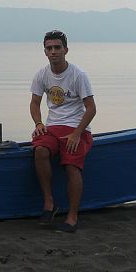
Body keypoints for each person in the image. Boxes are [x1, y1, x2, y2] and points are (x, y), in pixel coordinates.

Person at [29, 30, 96, 233]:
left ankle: (72, 217)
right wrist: (39, 123)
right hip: (53, 127)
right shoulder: (42, 74)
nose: (53, 52)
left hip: (77, 128)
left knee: (71, 166)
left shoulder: (78, 75)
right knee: (40, 151)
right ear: (45, 52)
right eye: (49, 48)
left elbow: (91, 108)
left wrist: (77, 134)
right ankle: (49, 203)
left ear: (66, 50)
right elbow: (34, 103)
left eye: (57, 47)